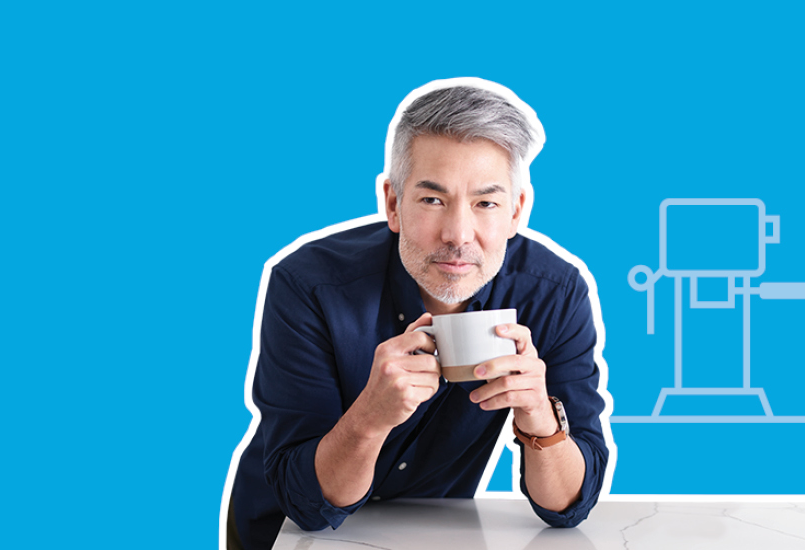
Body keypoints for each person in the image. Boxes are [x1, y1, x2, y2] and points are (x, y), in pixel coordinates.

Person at [223, 79, 612, 550]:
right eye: (432, 200)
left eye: (486, 202)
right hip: (285, 536)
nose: (457, 234)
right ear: (392, 203)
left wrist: (539, 417)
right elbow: (306, 507)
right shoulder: (309, 284)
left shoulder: (554, 294)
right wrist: (369, 417)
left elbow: (569, 506)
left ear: (516, 211)